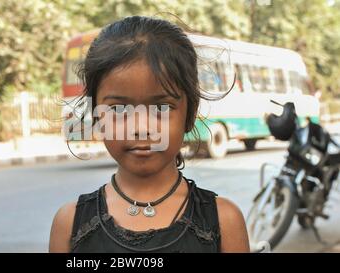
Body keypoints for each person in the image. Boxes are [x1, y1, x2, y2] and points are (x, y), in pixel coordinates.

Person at [49, 15, 249, 253]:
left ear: (190, 113)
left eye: (160, 108)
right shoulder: (69, 224)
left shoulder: (224, 222)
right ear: (97, 116)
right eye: (118, 109)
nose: (141, 127)